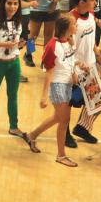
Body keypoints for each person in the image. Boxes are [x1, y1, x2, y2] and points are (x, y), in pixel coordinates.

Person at [26, 14, 80, 166]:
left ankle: (32, 136)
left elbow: (69, 61)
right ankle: (61, 155)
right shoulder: (52, 46)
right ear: (66, 27)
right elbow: (48, 72)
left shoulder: (69, 41)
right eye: (74, 24)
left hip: (68, 84)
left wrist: (75, 71)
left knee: (57, 117)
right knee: (64, 120)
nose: (76, 26)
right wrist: (43, 96)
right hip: (58, 86)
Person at [0, 0, 29, 137]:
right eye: (9, 3)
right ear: (3, 4)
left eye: (15, 4)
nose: (12, 7)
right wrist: (4, 44)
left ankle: (13, 126)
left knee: (13, 95)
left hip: (14, 63)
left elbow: (18, 43)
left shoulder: (20, 21)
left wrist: (21, 45)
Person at [71, 0, 101, 143]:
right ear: (81, 2)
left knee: (100, 100)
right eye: (91, 0)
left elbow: (91, 40)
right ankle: (65, 133)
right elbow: (67, 49)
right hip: (77, 69)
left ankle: (82, 127)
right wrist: (74, 70)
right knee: (70, 104)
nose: (94, 3)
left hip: (91, 66)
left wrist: (98, 54)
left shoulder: (91, 14)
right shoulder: (72, 20)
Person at [6, 0, 38, 76]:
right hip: (22, 16)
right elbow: (19, 3)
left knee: (19, 42)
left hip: (14, 15)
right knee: (19, 44)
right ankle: (14, 71)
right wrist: (32, 3)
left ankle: (14, 68)